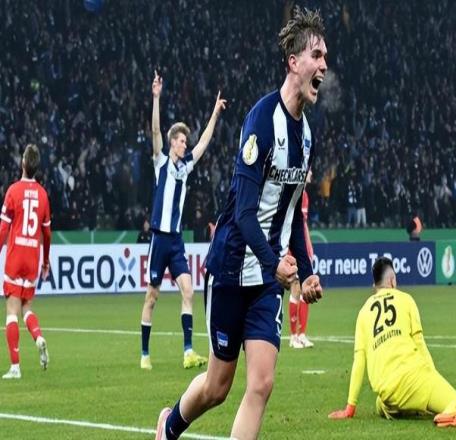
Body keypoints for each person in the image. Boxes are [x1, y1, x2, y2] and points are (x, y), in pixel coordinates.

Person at [155, 7, 325, 439]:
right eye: (317, 55)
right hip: (232, 268)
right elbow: (245, 214)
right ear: (294, 62)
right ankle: (169, 426)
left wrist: (306, 272)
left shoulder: (306, 136)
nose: (324, 65)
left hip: (267, 280)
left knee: (261, 384)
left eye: (325, 57)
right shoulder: (261, 121)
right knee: (217, 387)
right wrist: (276, 263)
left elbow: (290, 213)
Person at [140, 71, 226, 370]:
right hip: (159, 239)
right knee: (152, 297)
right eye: (181, 141)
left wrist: (214, 113)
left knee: (188, 291)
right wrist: (156, 98)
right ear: (172, 143)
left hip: (176, 241)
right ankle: (144, 354)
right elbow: (154, 130)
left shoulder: (186, 166)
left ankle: (188, 351)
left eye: (185, 141)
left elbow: (203, 142)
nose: (185, 145)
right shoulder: (161, 162)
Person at [328, 257, 456, 429]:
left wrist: (350, 408)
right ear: (392, 280)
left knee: (379, 404)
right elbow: (419, 343)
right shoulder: (406, 299)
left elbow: (359, 361)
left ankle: (405, 408)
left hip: (388, 394)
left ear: (374, 284)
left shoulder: (363, 312)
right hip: (415, 381)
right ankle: (444, 416)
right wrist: (433, 376)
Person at [0, 144, 51, 379]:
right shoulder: (43, 195)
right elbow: (47, 234)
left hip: (15, 256)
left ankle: (15, 367)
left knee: (12, 310)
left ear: (23, 163)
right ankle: (38, 337)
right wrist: (45, 261)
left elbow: (3, 229)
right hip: (32, 258)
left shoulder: (13, 191)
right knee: (27, 308)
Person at [289, 170, 315, 349]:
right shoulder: (294, 193)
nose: (311, 173)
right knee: (296, 288)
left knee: (306, 286)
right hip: (292, 247)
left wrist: (309, 246)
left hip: (302, 246)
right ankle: (293, 336)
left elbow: (303, 225)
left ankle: (302, 334)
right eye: (309, 170)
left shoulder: (305, 196)